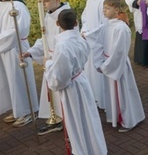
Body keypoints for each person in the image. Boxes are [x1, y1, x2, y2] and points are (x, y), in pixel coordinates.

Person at [44, 9, 107, 154]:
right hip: (81, 80)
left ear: (58, 24)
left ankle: (83, 150)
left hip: (71, 88)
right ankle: (95, 148)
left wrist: (47, 64)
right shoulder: (81, 38)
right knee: (89, 118)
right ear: (76, 23)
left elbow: (60, 78)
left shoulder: (62, 46)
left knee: (77, 122)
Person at [23, 0, 70, 135]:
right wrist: (30, 52)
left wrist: (53, 60)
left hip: (59, 60)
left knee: (61, 93)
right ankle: (55, 118)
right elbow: (44, 39)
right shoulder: (49, 15)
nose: (43, 5)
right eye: (42, 2)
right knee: (52, 95)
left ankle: (66, 120)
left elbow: (67, 42)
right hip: (49, 60)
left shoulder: (65, 16)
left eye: (46, 1)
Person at [98, 0, 145, 132]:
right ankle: (116, 117)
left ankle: (129, 120)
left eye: (107, 8)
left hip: (117, 66)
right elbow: (96, 35)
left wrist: (106, 66)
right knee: (114, 94)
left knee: (123, 94)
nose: (104, 11)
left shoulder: (121, 28)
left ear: (116, 10)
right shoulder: (107, 24)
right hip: (109, 63)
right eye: (104, 8)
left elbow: (119, 52)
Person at [0, 0, 39, 127]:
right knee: (8, 80)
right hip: (4, 48)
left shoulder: (18, 6)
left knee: (19, 79)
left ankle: (27, 111)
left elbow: (17, 30)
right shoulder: (2, 5)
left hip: (15, 47)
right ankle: (16, 109)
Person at [81, 0, 108, 109]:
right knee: (89, 71)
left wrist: (89, 34)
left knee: (98, 74)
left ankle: (103, 100)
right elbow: (85, 18)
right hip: (89, 41)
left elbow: (105, 24)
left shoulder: (104, 0)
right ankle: (93, 98)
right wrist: (84, 30)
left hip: (98, 43)